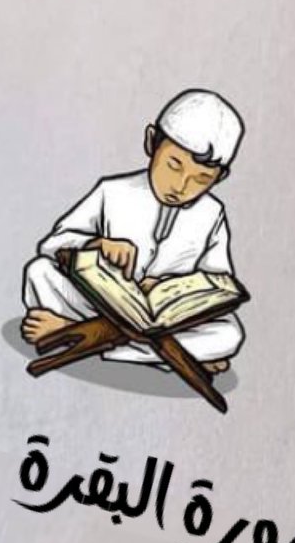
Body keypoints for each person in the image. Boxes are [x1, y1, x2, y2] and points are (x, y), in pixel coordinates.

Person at [21, 89, 245, 373]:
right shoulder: (112, 191)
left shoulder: (212, 213)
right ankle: (172, 356)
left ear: (219, 178)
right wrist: (97, 245)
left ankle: (76, 334)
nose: (180, 186)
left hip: (168, 321)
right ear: (151, 142)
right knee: (39, 271)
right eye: (173, 165)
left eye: (201, 179)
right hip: (102, 303)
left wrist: (170, 287)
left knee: (230, 333)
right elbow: (53, 245)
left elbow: (219, 282)